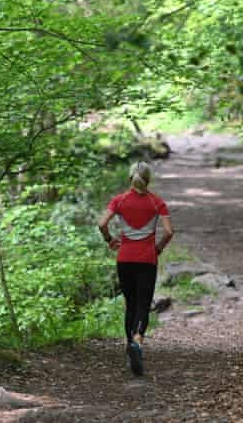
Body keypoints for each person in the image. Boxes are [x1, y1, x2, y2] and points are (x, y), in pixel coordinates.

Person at [98, 161, 174, 376]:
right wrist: (157, 248)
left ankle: (130, 344)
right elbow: (169, 231)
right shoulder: (156, 202)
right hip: (147, 259)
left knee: (130, 304)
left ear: (130, 177)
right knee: (143, 303)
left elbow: (102, 223)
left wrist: (110, 240)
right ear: (148, 179)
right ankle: (137, 341)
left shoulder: (119, 201)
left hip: (125, 259)